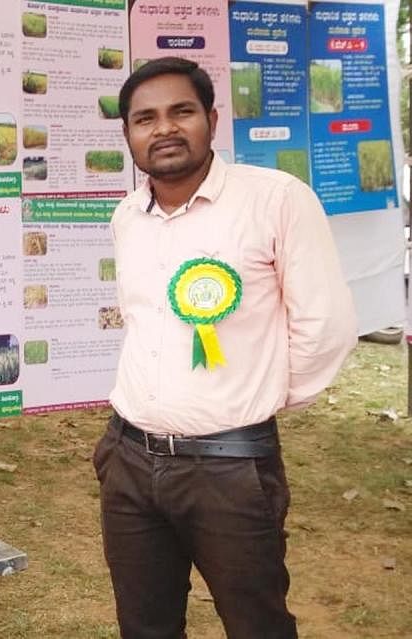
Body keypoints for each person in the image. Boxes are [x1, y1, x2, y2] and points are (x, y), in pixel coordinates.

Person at [97, 57, 357, 639]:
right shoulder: (127, 217)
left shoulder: (276, 200)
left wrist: (255, 401)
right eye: (145, 119)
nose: (163, 129)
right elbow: (143, 323)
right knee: (144, 626)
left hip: (231, 470)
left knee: (256, 624)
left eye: (180, 112)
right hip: (130, 461)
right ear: (128, 135)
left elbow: (325, 325)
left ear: (211, 119)